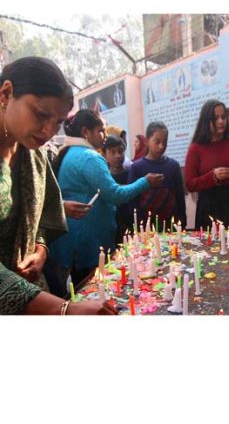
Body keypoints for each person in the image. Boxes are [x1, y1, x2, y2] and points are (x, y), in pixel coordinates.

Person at [0, 57, 116, 314]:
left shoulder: (35, 156)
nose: (49, 131)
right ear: (6, 94)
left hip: (34, 291)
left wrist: (40, 249)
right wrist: (64, 310)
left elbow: (42, 216)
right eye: (41, 115)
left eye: (59, 122)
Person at [48, 110, 163, 294]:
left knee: (81, 290)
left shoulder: (69, 152)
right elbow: (115, 195)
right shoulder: (89, 157)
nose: (105, 135)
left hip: (72, 239)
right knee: (95, 291)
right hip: (89, 243)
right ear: (86, 132)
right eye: (101, 130)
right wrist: (145, 182)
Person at [185, 99, 229, 230]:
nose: (221, 121)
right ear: (206, 121)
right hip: (210, 207)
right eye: (216, 118)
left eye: (223, 117)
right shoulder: (196, 148)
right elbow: (190, 184)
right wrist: (212, 177)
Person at [129, 121, 186, 232]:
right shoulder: (136, 167)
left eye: (165, 142)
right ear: (146, 141)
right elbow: (133, 201)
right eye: (157, 142)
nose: (161, 146)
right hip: (146, 227)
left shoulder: (173, 166)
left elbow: (180, 197)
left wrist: (182, 222)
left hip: (171, 226)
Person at [103, 135, 130, 245]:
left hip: (130, 220)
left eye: (121, 151)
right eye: (113, 152)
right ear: (105, 155)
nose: (118, 156)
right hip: (112, 224)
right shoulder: (104, 178)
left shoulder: (131, 173)